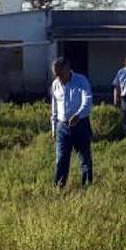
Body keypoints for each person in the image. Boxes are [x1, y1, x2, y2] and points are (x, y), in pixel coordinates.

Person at [50, 56, 93, 187]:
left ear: (67, 69)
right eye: (56, 75)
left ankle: (87, 187)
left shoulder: (81, 81)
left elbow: (88, 100)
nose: (58, 77)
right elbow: (54, 107)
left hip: (80, 124)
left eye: (59, 74)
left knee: (84, 158)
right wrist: (53, 128)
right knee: (61, 159)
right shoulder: (55, 84)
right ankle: (59, 187)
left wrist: (78, 115)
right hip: (62, 126)